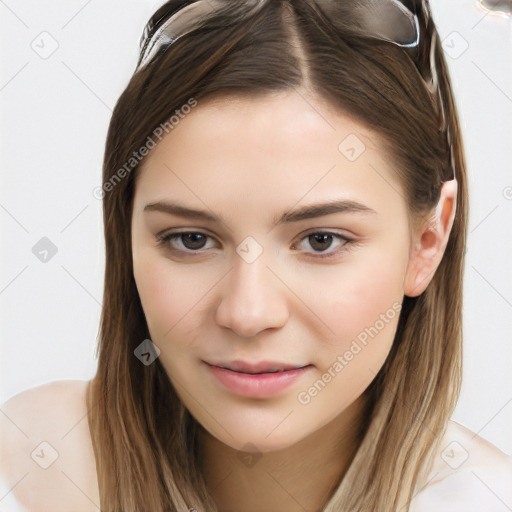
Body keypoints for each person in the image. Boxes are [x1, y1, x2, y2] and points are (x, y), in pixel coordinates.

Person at [1, 0, 511, 511]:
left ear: (428, 241)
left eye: (321, 241)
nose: (247, 314)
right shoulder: (24, 470)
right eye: (191, 239)